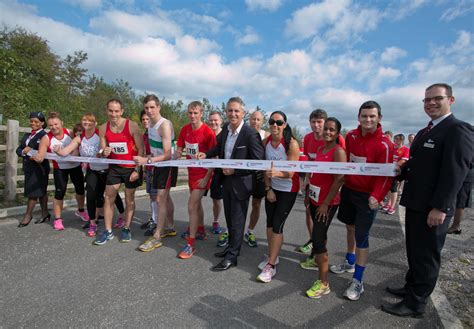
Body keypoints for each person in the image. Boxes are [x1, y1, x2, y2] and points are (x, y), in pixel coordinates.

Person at [382, 83, 473, 317]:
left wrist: (440, 207)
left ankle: (416, 304)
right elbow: (416, 165)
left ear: (450, 100)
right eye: (426, 100)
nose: (430, 103)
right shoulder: (425, 132)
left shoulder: (457, 129)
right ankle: (411, 288)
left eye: (437, 99)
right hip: (415, 203)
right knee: (414, 251)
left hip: (433, 209)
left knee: (427, 257)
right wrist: (397, 170)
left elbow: (455, 172)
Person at [331, 100, 393, 301]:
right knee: (349, 227)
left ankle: (358, 280)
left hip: (368, 197)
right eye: (364, 116)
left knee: (362, 236)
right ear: (359, 117)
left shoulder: (385, 144)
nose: (368, 119)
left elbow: (385, 175)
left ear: (379, 118)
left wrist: (377, 195)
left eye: (372, 116)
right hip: (350, 190)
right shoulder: (351, 136)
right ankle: (350, 261)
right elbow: (348, 161)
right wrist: (341, 183)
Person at [198, 97, 265, 271]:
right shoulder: (226, 130)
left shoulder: (250, 134)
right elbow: (218, 148)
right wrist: (205, 154)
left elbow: (258, 162)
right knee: (229, 217)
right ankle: (231, 248)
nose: (233, 114)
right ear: (226, 112)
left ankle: (232, 257)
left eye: (236, 111)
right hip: (225, 181)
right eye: (230, 110)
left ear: (243, 113)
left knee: (237, 220)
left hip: (241, 184)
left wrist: (236, 170)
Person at [54, 113, 124, 237]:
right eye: (84, 121)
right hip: (93, 170)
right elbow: (66, 151)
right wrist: (58, 151)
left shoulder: (100, 134)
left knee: (112, 195)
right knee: (91, 195)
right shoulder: (79, 138)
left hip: (107, 170)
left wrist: (102, 153)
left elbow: (107, 148)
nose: (87, 123)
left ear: (95, 123)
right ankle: (93, 223)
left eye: (90, 121)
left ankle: (122, 216)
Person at [299, 109, 346, 270]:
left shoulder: (338, 149)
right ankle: (315, 255)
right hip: (314, 194)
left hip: (328, 198)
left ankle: (323, 276)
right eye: (325, 128)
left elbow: (339, 177)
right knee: (318, 232)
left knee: (319, 236)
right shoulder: (317, 147)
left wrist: (326, 203)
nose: (326, 131)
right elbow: (312, 169)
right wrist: (307, 190)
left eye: (330, 129)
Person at [256, 111, 299, 283]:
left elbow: (291, 172)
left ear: (285, 124)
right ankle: (273, 255)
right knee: (269, 224)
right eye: (272, 122)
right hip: (273, 188)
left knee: (277, 227)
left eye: (279, 122)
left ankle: (271, 265)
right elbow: (265, 168)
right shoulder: (266, 142)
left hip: (288, 189)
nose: (275, 125)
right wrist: (268, 188)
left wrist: (277, 174)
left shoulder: (291, 144)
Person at [94, 99, 144, 245]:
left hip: (130, 168)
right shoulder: (103, 128)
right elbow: (102, 150)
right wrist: (105, 151)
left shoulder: (132, 126)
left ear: (122, 111)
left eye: (116, 111)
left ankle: (127, 228)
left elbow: (141, 149)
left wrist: (137, 169)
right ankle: (108, 231)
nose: (113, 114)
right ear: (106, 111)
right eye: (111, 111)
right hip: (115, 167)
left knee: (129, 199)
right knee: (109, 197)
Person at [174, 101, 216, 259]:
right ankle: (201, 230)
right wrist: (177, 153)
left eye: (195, 113)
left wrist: (207, 178)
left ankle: (190, 244)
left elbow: (215, 158)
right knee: (196, 206)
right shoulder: (185, 129)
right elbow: (180, 147)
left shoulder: (208, 132)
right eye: (190, 113)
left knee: (191, 205)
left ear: (201, 113)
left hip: (203, 174)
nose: (192, 116)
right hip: (191, 173)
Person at [135, 94, 177, 252]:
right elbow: (155, 150)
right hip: (157, 165)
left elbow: (167, 154)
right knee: (165, 198)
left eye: (152, 107)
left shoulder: (164, 125)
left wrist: (147, 161)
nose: (149, 111)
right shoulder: (150, 125)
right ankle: (169, 226)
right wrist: (148, 158)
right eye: (146, 108)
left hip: (167, 165)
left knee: (160, 198)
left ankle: (157, 235)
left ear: (159, 107)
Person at [47, 112, 88, 231]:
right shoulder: (47, 137)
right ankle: (58, 219)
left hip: (75, 167)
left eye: (56, 124)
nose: (54, 127)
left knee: (80, 190)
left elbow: (80, 142)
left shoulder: (69, 132)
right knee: (60, 193)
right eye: (51, 125)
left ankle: (81, 211)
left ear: (61, 123)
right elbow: (41, 151)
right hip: (60, 168)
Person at [16, 112, 51, 227]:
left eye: (36, 121)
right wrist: (24, 153)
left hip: (39, 167)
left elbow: (40, 154)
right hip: (29, 166)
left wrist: (26, 153)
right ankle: (45, 213)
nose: (33, 123)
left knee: (33, 192)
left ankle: (28, 215)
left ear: (42, 122)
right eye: (31, 121)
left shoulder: (43, 136)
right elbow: (19, 149)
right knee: (41, 191)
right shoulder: (27, 135)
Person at [245, 110, 270, 248]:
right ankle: (233, 231)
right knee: (238, 205)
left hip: (259, 176)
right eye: (253, 119)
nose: (255, 122)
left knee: (256, 204)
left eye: (258, 119)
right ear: (249, 120)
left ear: (262, 121)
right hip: (243, 175)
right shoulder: (243, 132)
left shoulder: (266, 136)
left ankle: (250, 231)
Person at [139, 110, 160, 236]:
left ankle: (158, 222)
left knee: (158, 197)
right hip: (149, 168)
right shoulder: (144, 135)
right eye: (143, 119)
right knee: (151, 196)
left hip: (158, 168)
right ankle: (153, 218)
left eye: (147, 119)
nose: (145, 121)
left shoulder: (157, 132)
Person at [208, 111, 226, 237]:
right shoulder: (207, 134)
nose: (213, 122)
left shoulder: (225, 135)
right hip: (206, 170)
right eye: (211, 120)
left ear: (221, 121)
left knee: (217, 200)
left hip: (220, 172)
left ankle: (216, 221)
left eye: (216, 120)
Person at [382, 134, 409, 215]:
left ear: (402, 140)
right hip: (389, 171)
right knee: (388, 188)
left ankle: (392, 207)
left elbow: (403, 161)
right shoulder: (392, 147)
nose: (395, 141)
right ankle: (388, 204)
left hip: (397, 172)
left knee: (394, 189)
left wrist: (394, 167)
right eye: (395, 139)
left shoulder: (405, 149)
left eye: (397, 139)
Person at [447, 164, 472, 234]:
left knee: (461, 201)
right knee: (460, 200)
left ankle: (455, 226)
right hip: (463, 169)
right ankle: (455, 225)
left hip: (466, 170)